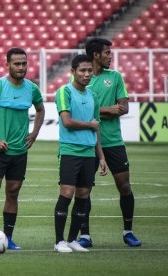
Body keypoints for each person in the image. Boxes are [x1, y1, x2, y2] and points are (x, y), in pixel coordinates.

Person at [0, 47, 45, 251]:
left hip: (20, 152)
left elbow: (40, 110)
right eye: (16, 63)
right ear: (8, 65)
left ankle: (9, 238)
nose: (21, 67)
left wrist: (34, 133)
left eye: (24, 63)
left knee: (13, 193)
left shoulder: (32, 89)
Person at [77, 38, 142, 248]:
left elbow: (124, 108)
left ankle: (128, 231)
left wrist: (102, 111)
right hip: (88, 142)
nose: (110, 56)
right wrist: (106, 110)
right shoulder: (83, 79)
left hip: (113, 142)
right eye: (107, 53)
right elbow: (81, 111)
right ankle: (85, 235)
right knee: (84, 190)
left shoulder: (115, 77)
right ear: (96, 55)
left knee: (124, 186)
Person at [53, 54, 108, 253]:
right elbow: (67, 121)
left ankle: (72, 239)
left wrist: (101, 156)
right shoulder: (64, 92)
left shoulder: (93, 95)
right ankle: (59, 241)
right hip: (69, 151)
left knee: (83, 196)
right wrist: (89, 124)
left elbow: (97, 128)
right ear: (73, 72)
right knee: (67, 194)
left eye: (89, 70)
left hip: (89, 154)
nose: (87, 74)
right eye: (82, 70)